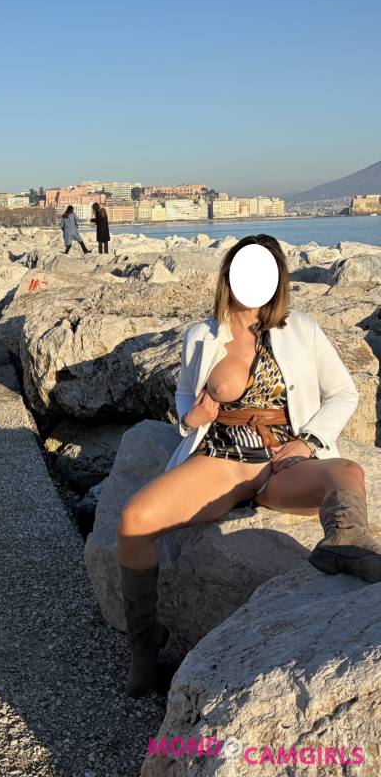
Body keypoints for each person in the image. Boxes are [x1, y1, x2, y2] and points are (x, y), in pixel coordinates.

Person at [116, 233, 381, 699]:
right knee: (133, 520)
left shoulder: (302, 330)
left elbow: (344, 393)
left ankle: (344, 545)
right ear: (229, 276)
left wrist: (309, 441)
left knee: (347, 474)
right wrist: (190, 417)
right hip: (220, 458)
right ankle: (144, 649)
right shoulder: (201, 336)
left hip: (281, 461)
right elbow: (185, 395)